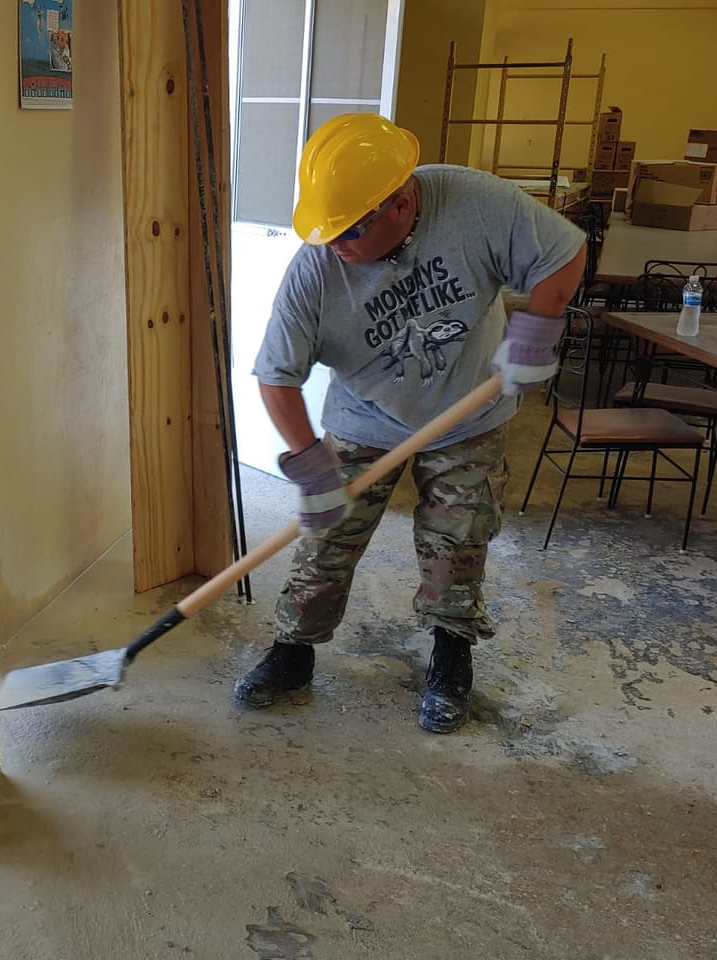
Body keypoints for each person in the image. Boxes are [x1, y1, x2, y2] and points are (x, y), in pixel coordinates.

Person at [238, 113, 586, 733]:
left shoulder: (475, 202)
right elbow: (276, 377)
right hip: (362, 420)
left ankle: (451, 658)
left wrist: (536, 332)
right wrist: (312, 465)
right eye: (328, 232)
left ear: (400, 203)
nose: (334, 244)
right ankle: (293, 652)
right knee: (324, 544)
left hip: (468, 414)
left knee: (458, 544)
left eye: (349, 231)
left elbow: (563, 252)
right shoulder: (316, 270)